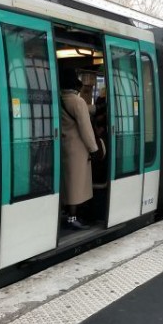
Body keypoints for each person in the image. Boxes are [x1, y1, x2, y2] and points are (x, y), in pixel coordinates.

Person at [59, 67, 101, 230]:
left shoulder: (60, 99)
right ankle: (73, 218)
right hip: (77, 150)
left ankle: (66, 215)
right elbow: (85, 128)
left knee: (67, 183)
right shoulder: (78, 101)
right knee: (76, 187)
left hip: (63, 147)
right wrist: (94, 149)